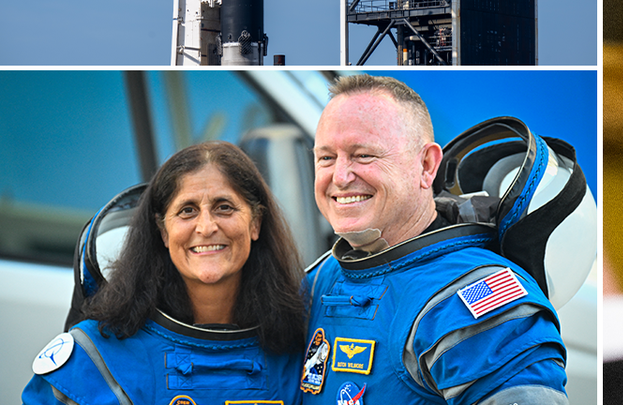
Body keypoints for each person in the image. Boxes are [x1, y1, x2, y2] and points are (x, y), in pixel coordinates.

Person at [300, 75, 568, 405]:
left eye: (363, 155)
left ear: (426, 165)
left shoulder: (476, 302)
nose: (340, 177)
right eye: (326, 158)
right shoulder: (322, 278)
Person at [23, 141, 306, 404]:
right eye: (187, 211)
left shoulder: (298, 348)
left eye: (224, 207)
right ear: (163, 231)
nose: (206, 227)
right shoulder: (95, 360)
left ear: (255, 223)